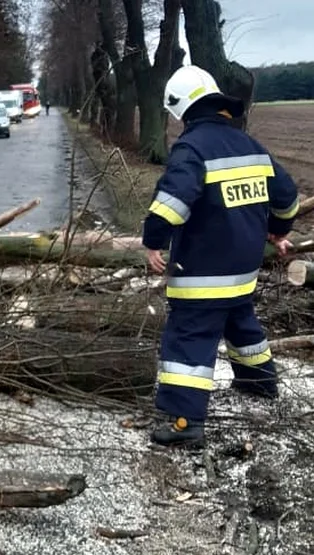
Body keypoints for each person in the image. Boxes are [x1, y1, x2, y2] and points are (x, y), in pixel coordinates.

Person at [141, 64, 299, 448]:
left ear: (183, 111)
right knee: (240, 322)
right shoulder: (249, 145)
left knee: (188, 338)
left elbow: (171, 204)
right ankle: (261, 384)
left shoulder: (192, 148)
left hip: (202, 271)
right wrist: (279, 231)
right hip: (244, 270)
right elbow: (288, 196)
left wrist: (153, 241)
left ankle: (185, 421)